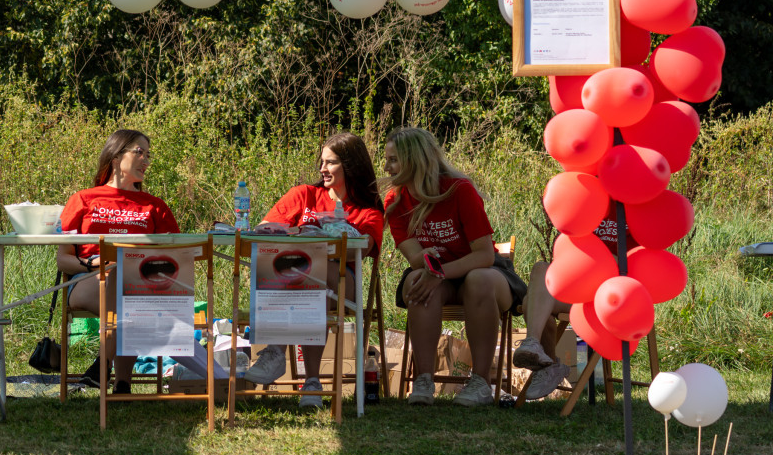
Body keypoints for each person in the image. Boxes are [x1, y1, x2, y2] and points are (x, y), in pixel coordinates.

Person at [382, 127, 526, 406]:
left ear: (416, 160)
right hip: (438, 275)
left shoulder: (460, 191)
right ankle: (423, 381)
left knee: (478, 280)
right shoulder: (396, 201)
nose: (387, 167)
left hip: (485, 273)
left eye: (394, 160)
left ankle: (481, 382)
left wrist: (440, 271)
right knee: (416, 281)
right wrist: (434, 271)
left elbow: (484, 255)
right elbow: (414, 257)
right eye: (387, 160)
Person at [243, 132, 384, 408]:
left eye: (330, 163)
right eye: (321, 162)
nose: (322, 169)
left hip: (343, 281)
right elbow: (264, 230)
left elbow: (364, 248)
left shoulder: (369, 209)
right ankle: (311, 381)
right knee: (306, 282)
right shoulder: (304, 194)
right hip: (298, 281)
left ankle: (277, 353)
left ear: (350, 165)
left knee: (315, 271)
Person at [56, 129, 179, 394]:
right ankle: (112, 370)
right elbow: (63, 260)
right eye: (139, 152)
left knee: (128, 288)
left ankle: (112, 374)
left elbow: (174, 256)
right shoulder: (83, 199)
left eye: (148, 154)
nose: (146, 159)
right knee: (116, 278)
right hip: (87, 280)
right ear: (115, 157)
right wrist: (92, 264)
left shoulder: (155, 206)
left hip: (140, 284)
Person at [514, 202, 638, 400]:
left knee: (532, 303)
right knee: (540, 271)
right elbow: (564, 254)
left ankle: (549, 365)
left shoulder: (635, 209)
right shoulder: (587, 201)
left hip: (611, 296)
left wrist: (597, 259)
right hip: (578, 288)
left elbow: (635, 263)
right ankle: (535, 346)